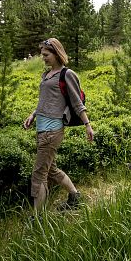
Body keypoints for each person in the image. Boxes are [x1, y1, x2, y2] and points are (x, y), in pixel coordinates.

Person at [23, 38, 93, 213]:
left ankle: (38, 218)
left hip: (52, 130)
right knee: (51, 169)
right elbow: (45, 101)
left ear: (56, 53)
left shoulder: (67, 74)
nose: (43, 58)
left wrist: (87, 125)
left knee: (39, 174)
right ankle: (75, 197)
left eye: (46, 55)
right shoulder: (46, 75)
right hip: (41, 128)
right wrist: (33, 114)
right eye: (42, 55)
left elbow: (77, 102)